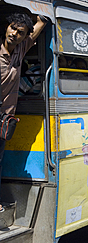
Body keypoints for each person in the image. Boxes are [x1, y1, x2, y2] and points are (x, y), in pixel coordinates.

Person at [0, 12, 47, 212]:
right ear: (6, 27)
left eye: (20, 32)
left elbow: (39, 25)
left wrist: (41, 14)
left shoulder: (21, 49)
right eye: (13, 28)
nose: (14, 34)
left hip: (4, 119)